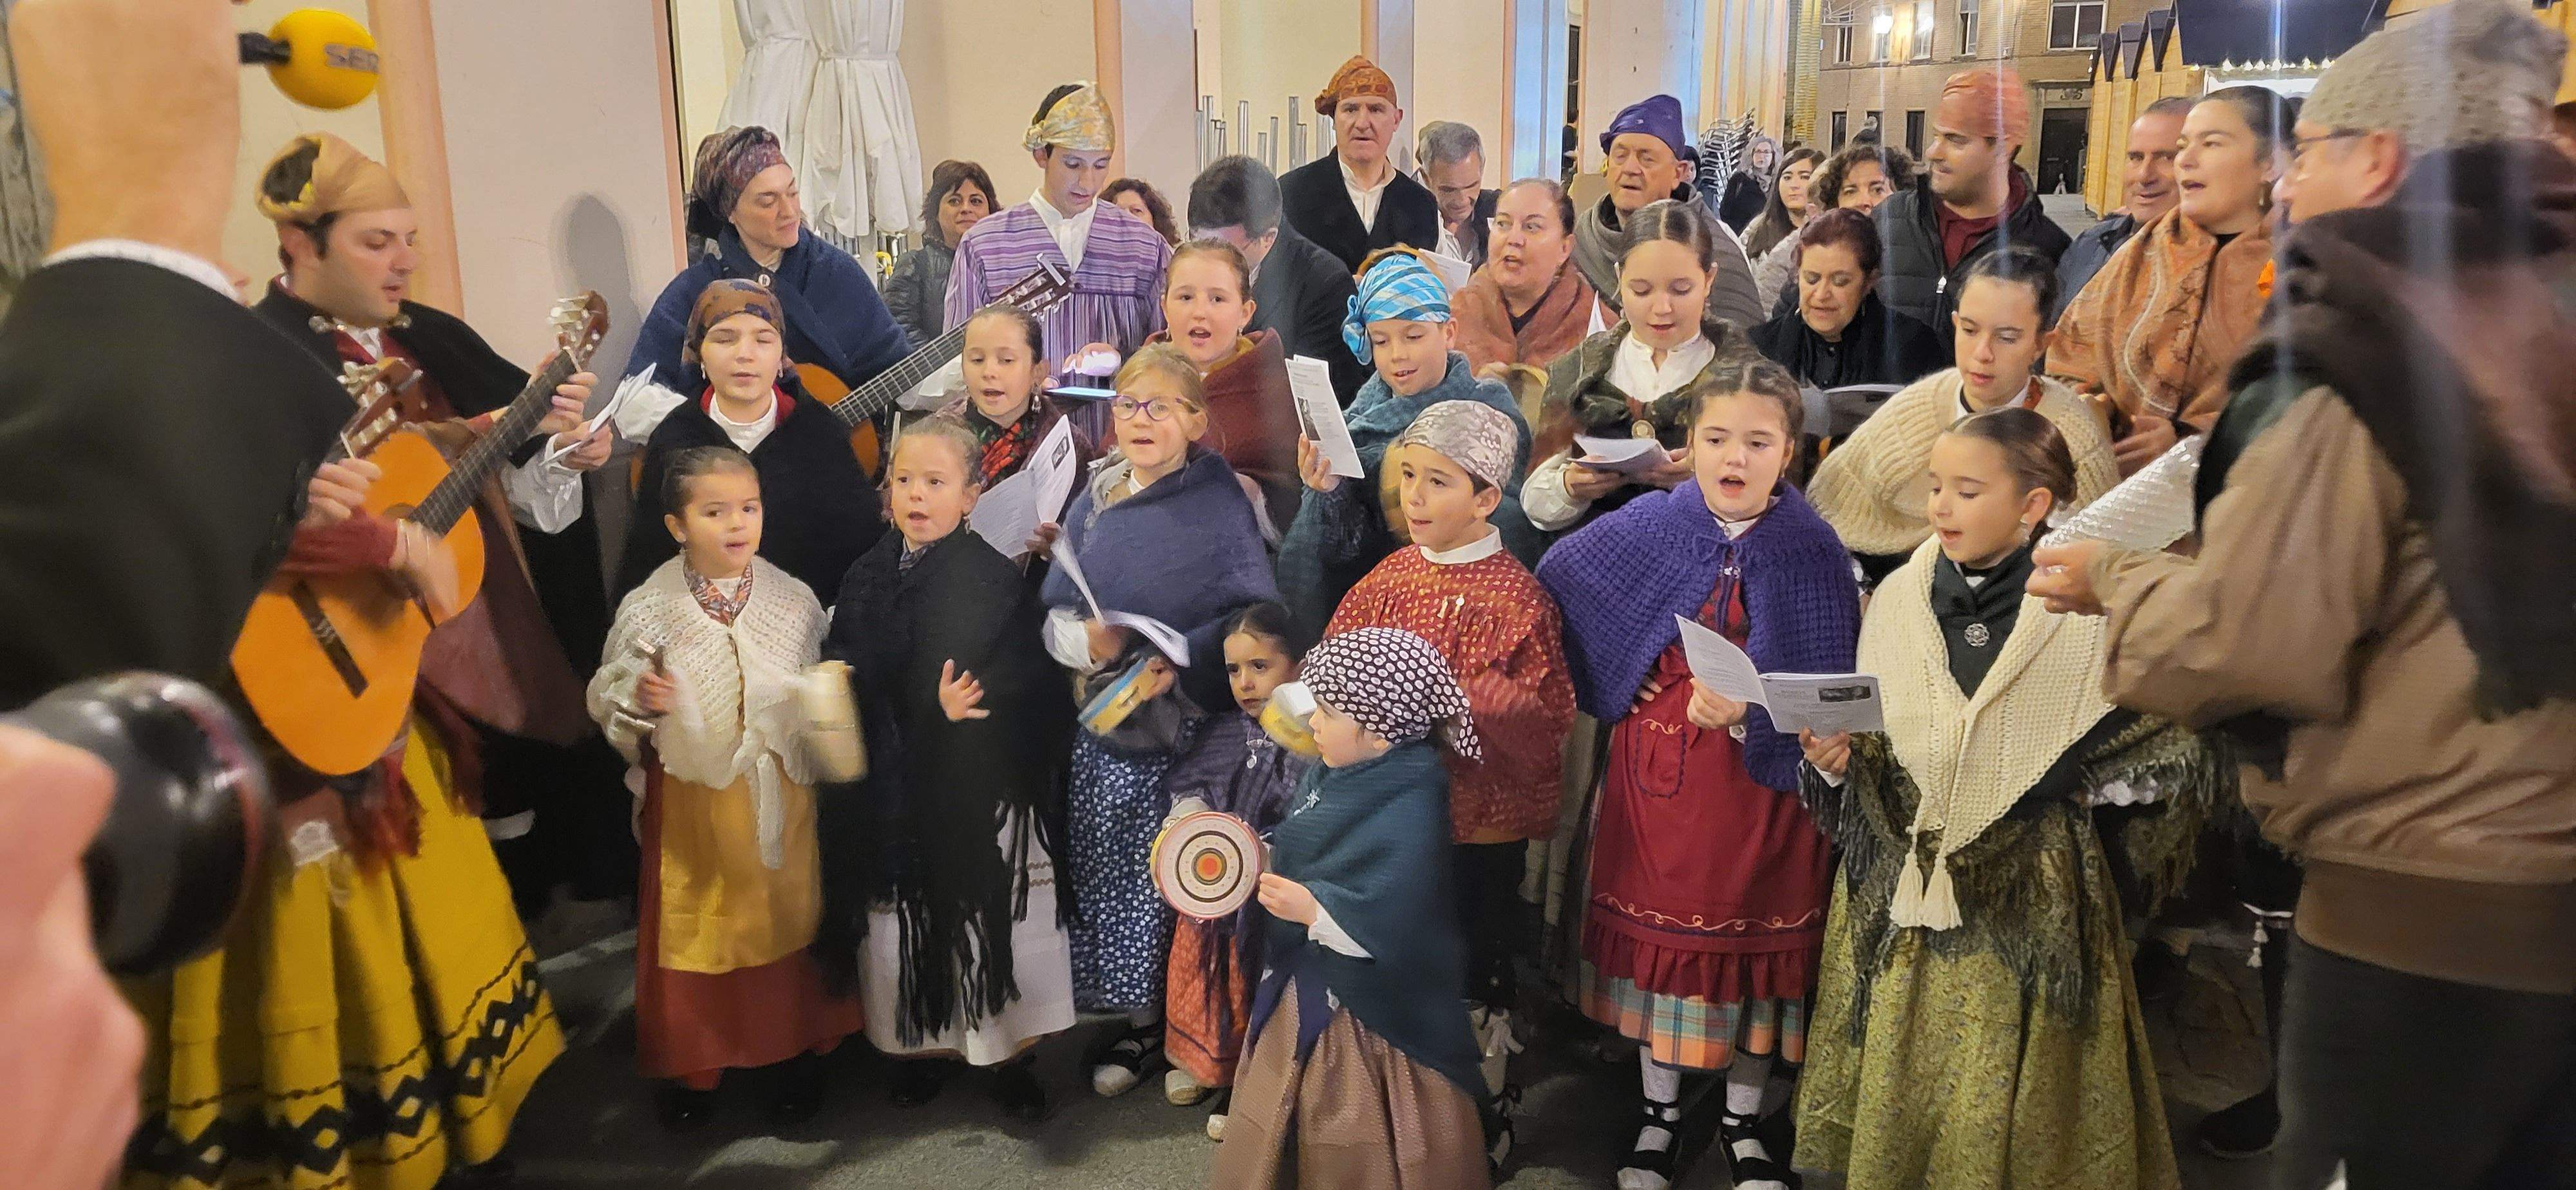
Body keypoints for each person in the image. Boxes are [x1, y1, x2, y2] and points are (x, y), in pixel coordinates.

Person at [2027, 5, 2576, 1184]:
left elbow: (2250, 639)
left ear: (2377, 160)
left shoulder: (2374, 340)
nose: (2291, 182)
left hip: (2426, 906)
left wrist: (2110, 576)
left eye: (2312, 149)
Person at [1796, 409, 2226, 1190]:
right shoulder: (1897, 599)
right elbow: (1880, 750)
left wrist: (2082, 780)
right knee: (1908, 1080)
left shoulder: (2087, 608)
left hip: (2035, 897)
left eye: (1966, 491)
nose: (1941, 507)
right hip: (1907, 897)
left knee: (2014, 1095)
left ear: (2033, 506)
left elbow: (2158, 740)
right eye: (1933, 489)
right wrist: (1837, 762)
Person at [249, 131, 623, 907]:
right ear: (298, 244)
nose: (404, 260)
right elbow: (241, 524)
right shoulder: (255, 359)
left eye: (410, 240)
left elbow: (513, 465)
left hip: (493, 622)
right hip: (365, 655)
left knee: (520, 821)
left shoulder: (430, 334)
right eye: (377, 242)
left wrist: (566, 448)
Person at [1539, 362, 1860, 1190]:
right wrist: (1630, 666)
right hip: (1664, 777)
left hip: (1767, 791)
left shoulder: (1813, 550)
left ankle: (1744, 1124)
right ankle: (1658, 1116)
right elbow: (1559, 583)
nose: (1735, 456)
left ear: (1789, 451)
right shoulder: (1651, 522)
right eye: (1716, 438)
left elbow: (1825, 680)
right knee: (1666, 950)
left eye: (1758, 441)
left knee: (1756, 950)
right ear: (1689, 443)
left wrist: (1756, 713)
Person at [1323, 398, 1576, 1169]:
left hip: (1477, 827)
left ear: (1487, 498)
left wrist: (1454, 706)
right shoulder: (1386, 579)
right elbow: (1336, 666)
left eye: (1438, 482)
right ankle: (1400, 1111)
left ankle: (1481, 1115)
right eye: (1407, 478)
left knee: (1473, 965)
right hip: (1390, 824)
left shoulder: (1519, 598)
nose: (1415, 498)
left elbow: (1546, 717)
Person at [587, 447, 860, 1130]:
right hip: (696, 803)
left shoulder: (791, 599)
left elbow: (817, 683)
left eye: (749, 508)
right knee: (700, 923)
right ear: (678, 525)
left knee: (787, 914)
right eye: (715, 512)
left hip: (782, 795)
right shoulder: (652, 606)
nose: (737, 524)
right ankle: (695, 1061)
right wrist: (639, 695)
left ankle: (793, 1051)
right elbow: (608, 689)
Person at [1041, 345, 1279, 1096]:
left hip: (1186, 729)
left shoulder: (1217, 503)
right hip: (1104, 728)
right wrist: (1086, 641)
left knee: (1180, 883)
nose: (1140, 419)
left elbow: (1251, 609)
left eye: (1161, 406)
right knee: (1113, 876)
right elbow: (1053, 609)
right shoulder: (1095, 496)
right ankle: (1136, 1022)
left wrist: (1186, 658)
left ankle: (1186, 1033)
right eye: (1127, 405)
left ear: (1196, 422)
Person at [827, 417, 1078, 1122]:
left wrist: (967, 698)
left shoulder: (990, 578)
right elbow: (848, 659)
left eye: (935, 482)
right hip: (893, 786)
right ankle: (921, 1048)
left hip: (975, 795)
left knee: (981, 922)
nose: (916, 495)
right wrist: (882, 693)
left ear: (972, 495)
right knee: (899, 927)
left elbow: (1028, 678)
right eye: (903, 480)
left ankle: (1004, 1058)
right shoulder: (867, 573)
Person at [1208, 628, 1494, 1190]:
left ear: (1380, 733)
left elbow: (1403, 908)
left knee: (1360, 1117)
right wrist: (1261, 857)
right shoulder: (1332, 773)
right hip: (1306, 972)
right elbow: (1302, 842)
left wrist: (1315, 908)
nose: (1312, 723)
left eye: (1330, 713)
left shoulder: (1412, 796)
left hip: (1376, 1004)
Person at [1808, 250, 2116, 581]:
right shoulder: (1919, 407)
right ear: (1954, 324)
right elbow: (1833, 498)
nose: (1982, 354)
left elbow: (2098, 564)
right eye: (1969, 330)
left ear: (2042, 344)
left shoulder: (2075, 441)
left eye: (2007, 338)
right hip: (1892, 580)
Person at [1276, 250, 1533, 641]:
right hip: (1369, 579)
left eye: (1413, 336)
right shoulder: (1361, 415)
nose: (1397, 355)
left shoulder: (1487, 405)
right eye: (1381, 341)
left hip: (1456, 590)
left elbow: (1506, 515)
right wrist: (1329, 490)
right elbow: (1344, 542)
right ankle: (1306, 649)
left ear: (1448, 333)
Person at [2049, 86, 2289, 473]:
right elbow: (2070, 355)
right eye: (2183, 146)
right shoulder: (2136, 253)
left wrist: (2187, 446)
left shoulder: (2298, 268)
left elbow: (2301, 414)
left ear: (2269, 163)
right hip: (2107, 487)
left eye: (2210, 144)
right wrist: (2099, 413)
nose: (2186, 161)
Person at [622, 280, 884, 602]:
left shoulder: (819, 433)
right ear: (699, 353)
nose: (745, 355)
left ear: (781, 357)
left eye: (763, 340)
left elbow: (863, 552)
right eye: (724, 339)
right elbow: (645, 564)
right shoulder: (674, 441)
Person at [1157, 603, 1312, 1139]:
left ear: (1298, 663)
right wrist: (1191, 815)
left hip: (1271, 891)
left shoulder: (1311, 736)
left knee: (1259, 983)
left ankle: (1248, 1082)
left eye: (1260, 667)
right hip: (1213, 889)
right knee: (1209, 977)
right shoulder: (1223, 730)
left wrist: (1267, 850)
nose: (1245, 683)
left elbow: (1309, 810)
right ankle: (1204, 1065)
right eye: (1233, 670)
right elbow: (1192, 783)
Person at [1520, 200, 1767, 536]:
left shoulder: (1748, 377)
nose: (1662, 308)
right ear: (1620, 279)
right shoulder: (1578, 372)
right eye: (1641, 290)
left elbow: (1773, 492)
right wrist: (1569, 487)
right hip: (1598, 557)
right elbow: (1535, 499)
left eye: (1681, 290)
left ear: (1709, 280)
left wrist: (1707, 479)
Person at [628, 126, 912, 410]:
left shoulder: (837, 273)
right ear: (730, 212)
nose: (789, 212)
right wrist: (715, 426)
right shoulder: (695, 289)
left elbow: (896, 366)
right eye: (768, 201)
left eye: (792, 193)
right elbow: (635, 396)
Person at [947, 83, 1171, 382]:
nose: (1088, 182)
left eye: (1100, 165)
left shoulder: (1143, 246)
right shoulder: (985, 245)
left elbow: (1171, 353)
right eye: (1073, 164)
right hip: (1020, 427)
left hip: (1121, 425)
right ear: (1041, 155)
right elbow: (957, 362)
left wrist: (1123, 361)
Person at [1873, 66, 2073, 363]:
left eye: (1956, 140)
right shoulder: (1889, 219)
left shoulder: (2050, 250)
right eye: (1936, 136)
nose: (1933, 152)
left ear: (2004, 148)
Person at [1145, 239, 1302, 528]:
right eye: (1185, 298)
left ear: (1246, 312)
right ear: (1164, 308)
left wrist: (1250, 494)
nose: (1200, 312)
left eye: (1217, 299)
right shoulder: (1140, 379)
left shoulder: (1275, 388)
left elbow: (1294, 500)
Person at [1189, 154, 1369, 404]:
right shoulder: (1188, 270)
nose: (1207, 262)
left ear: (1268, 238)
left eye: (1225, 251)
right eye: (1198, 243)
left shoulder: (1323, 282)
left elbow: (1321, 400)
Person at [1576, 95, 1765, 329]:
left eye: (1647, 159)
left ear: (1678, 173)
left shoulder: (1713, 249)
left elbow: (1744, 348)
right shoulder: (1582, 240)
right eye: (1620, 156)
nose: (1630, 169)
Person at [892, 303, 1099, 496]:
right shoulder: (930, 439)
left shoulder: (1070, 445)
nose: (989, 372)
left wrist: (1058, 535)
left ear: (1038, 372)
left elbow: (1082, 523)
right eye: (977, 360)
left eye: (1006, 360)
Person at [1748, 208, 1946, 396]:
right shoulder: (1758, 349)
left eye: (1840, 281)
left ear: (1869, 282)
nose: (1822, 294)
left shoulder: (1915, 348)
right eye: (1812, 279)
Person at [1279, 55, 1442, 272]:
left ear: (1396, 119)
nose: (1363, 123)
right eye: (1350, 109)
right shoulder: (1292, 193)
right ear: (1334, 120)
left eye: (1376, 110)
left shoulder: (1421, 205)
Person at [2053, 97, 2191, 319]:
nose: (2144, 175)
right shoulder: (2091, 245)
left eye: (2166, 158)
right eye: (2136, 158)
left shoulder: (2228, 267)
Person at [1452, 178, 1602, 378]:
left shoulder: (1596, 328)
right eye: (1503, 224)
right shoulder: (1457, 315)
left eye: (1531, 227)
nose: (1513, 239)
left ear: (1565, 248)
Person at [1752, 142, 1917, 313]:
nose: (1864, 201)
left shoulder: (1919, 256)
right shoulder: (1807, 256)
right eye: (1851, 191)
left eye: (1878, 190)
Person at [884, 158, 997, 345]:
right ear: (936, 213)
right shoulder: (915, 265)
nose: (966, 209)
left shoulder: (1004, 264)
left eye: (976, 201)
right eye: (954, 201)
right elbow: (899, 331)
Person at [1419, 120, 1501, 269]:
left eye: (1471, 186)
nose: (1461, 201)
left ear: (1482, 170)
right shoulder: (1408, 222)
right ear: (1426, 178)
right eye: (1448, 190)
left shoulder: (1500, 209)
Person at [1741, 146, 1824, 262]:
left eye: (1804, 177)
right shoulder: (1757, 229)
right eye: (1787, 177)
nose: (1794, 185)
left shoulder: (1832, 230)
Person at [1104, 177, 1183, 247]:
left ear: (1155, 221)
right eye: (1119, 211)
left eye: (1137, 211)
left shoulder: (1172, 261)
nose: (1127, 217)